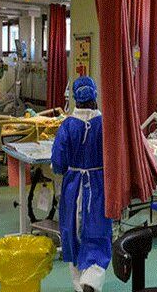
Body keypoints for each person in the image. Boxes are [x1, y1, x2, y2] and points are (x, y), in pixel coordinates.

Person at [51, 76, 111, 292]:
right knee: (98, 232)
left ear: (75, 98)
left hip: (72, 187)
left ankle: (79, 285)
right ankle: (91, 281)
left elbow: (58, 163)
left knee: (72, 233)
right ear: (95, 95)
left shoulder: (67, 126)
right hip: (98, 187)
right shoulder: (105, 124)